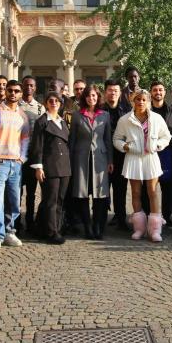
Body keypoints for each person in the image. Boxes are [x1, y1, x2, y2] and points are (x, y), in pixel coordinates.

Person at [113, 89, 172, 242]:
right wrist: (126, 147)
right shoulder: (125, 119)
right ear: (133, 101)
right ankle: (139, 228)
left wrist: (158, 145)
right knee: (136, 193)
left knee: (152, 192)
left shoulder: (157, 118)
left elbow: (166, 136)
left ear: (148, 101)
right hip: (133, 159)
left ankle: (155, 230)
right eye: (137, 99)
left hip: (150, 158)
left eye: (143, 100)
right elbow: (117, 139)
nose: (140, 102)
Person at [0, 80, 30, 252]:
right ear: (5, 92)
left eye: (16, 91)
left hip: (16, 162)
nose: (13, 93)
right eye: (10, 90)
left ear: (20, 94)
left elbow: (25, 138)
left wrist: (22, 158)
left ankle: (10, 230)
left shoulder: (23, 114)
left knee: (14, 199)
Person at [69, 85, 113, 240]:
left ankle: (98, 226)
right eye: (88, 96)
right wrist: (70, 161)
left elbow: (108, 139)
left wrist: (110, 160)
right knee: (82, 194)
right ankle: (87, 226)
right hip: (80, 158)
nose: (91, 98)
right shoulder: (76, 115)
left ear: (98, 97)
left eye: (93, 95)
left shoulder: (105, 115)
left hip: (100, 158)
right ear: (84, 98)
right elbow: (72, 140)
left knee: (100, 195)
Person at [29, 91, 72, 244]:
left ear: (60, 104)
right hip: (49, 165)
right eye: (50, 100)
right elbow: (37, 146)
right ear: (46, 103)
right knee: (50, 200)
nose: (54, 103)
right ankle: (50, 232)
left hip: (64, 166)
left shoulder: (62, 121)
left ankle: (56, 227)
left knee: (60, 199)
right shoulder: (42, 121)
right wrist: (38, 167)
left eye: (56, 101)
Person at [149, 81, 172, 228]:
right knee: (149, 187)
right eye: (155, 90)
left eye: (161, 90)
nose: (158, 92)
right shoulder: (146, 110)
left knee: (168, 186)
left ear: (165, 93)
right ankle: (150, 216)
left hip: (166, 153)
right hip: (149, 153)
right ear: (151, 93)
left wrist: (166, 140)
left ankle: (167, 216)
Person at [17, 75, 45, 237]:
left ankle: (30, 220)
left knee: (32, 192)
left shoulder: (40, 108)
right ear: (22, 86)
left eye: (32, 85)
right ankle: (16, 221)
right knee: (17, 191)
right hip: (18, 154)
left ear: (35, 88)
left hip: (33, 155)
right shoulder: (15, 106)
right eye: (26, 85)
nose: (29, 88)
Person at [102, 79, 130, 231]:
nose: (112, 93)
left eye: (116, 91)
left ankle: (121, 218)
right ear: (105, 92)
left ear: (120, 93)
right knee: (102, 189)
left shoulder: (126, 111)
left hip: (121, 156)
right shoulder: (99, 110)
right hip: (103, 156)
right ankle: (101, 218)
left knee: (120, 189)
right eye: (110, 90)